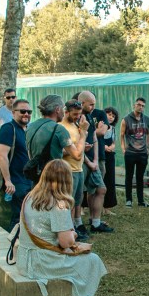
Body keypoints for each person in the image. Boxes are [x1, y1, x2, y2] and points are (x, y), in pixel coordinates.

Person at [16, 159, 108, 296]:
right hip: (43, 263)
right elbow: (65, 242)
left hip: (25, 260)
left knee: (83, 261)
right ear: (67, 180)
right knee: (92, 260)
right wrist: (73, 234)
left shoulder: (31, 197)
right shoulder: (58, 203)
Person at [77, 91, 112, 233]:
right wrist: (87, 159)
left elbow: (95, 137)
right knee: (78, 193)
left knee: (100, 189)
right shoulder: (78, 117)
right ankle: (77, 223)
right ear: (82, 103)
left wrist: (95, 159)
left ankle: (95, 223)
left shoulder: (91, 116)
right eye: (91, 104)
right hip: (80, 160)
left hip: (93, 160)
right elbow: (75, 142)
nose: (93, 107)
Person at [0, 98, 33, 230]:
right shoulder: (8, 129)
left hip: (28, 180)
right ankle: (13, 244)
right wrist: (8, 181)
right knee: (18, 217)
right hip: (16, 182)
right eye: (22, 111)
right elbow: (2, 156)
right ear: (13, 113)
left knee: (27, 216)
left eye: (29, 112)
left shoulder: (27, 130)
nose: (26, 114)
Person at [26, 95, 75, 183]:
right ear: (57, 109)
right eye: (63, 108)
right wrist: (83, 133)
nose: (64, 112)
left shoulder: (30, 126)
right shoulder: (59, 129)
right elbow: (77, 155)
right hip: (54, 178)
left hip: (37, 177)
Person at [60, 100, 90, 240]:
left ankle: (74, 226)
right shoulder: (60, 127)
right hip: (68, 170)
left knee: (77, 200)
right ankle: (67, 229)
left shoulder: (75, 124)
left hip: (79, 169)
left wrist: (83, 146)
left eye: (79, 114)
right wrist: (72, 151)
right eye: (74, 114)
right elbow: (59, 150)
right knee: (68, 201)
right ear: (66, 112)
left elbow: (78, 146)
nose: (77, 116)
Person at [120, 97, 149, 207]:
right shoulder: (126, 119)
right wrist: (123, 149)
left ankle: (141, 200)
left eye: (143, 106)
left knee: (140, 177)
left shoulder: (147, 119)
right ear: (134, 105)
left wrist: (147, 148)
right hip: (130, 152)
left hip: (142, 153)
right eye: (139, 105)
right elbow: (122, 135)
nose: (141, 107)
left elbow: (148, 134)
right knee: (129, 176)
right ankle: (129, 200)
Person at [101, 106, 119, 212]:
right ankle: (84, 207)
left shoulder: (113, 129)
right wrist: (104, 147)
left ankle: (107, 207)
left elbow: (114, 143)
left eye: (113, 116)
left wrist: (111, 147)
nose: (111, 117)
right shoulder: (98, 126)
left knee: (109, 181)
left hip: (110, 157)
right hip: (100, 156)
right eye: (109, 114)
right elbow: (96, 140)